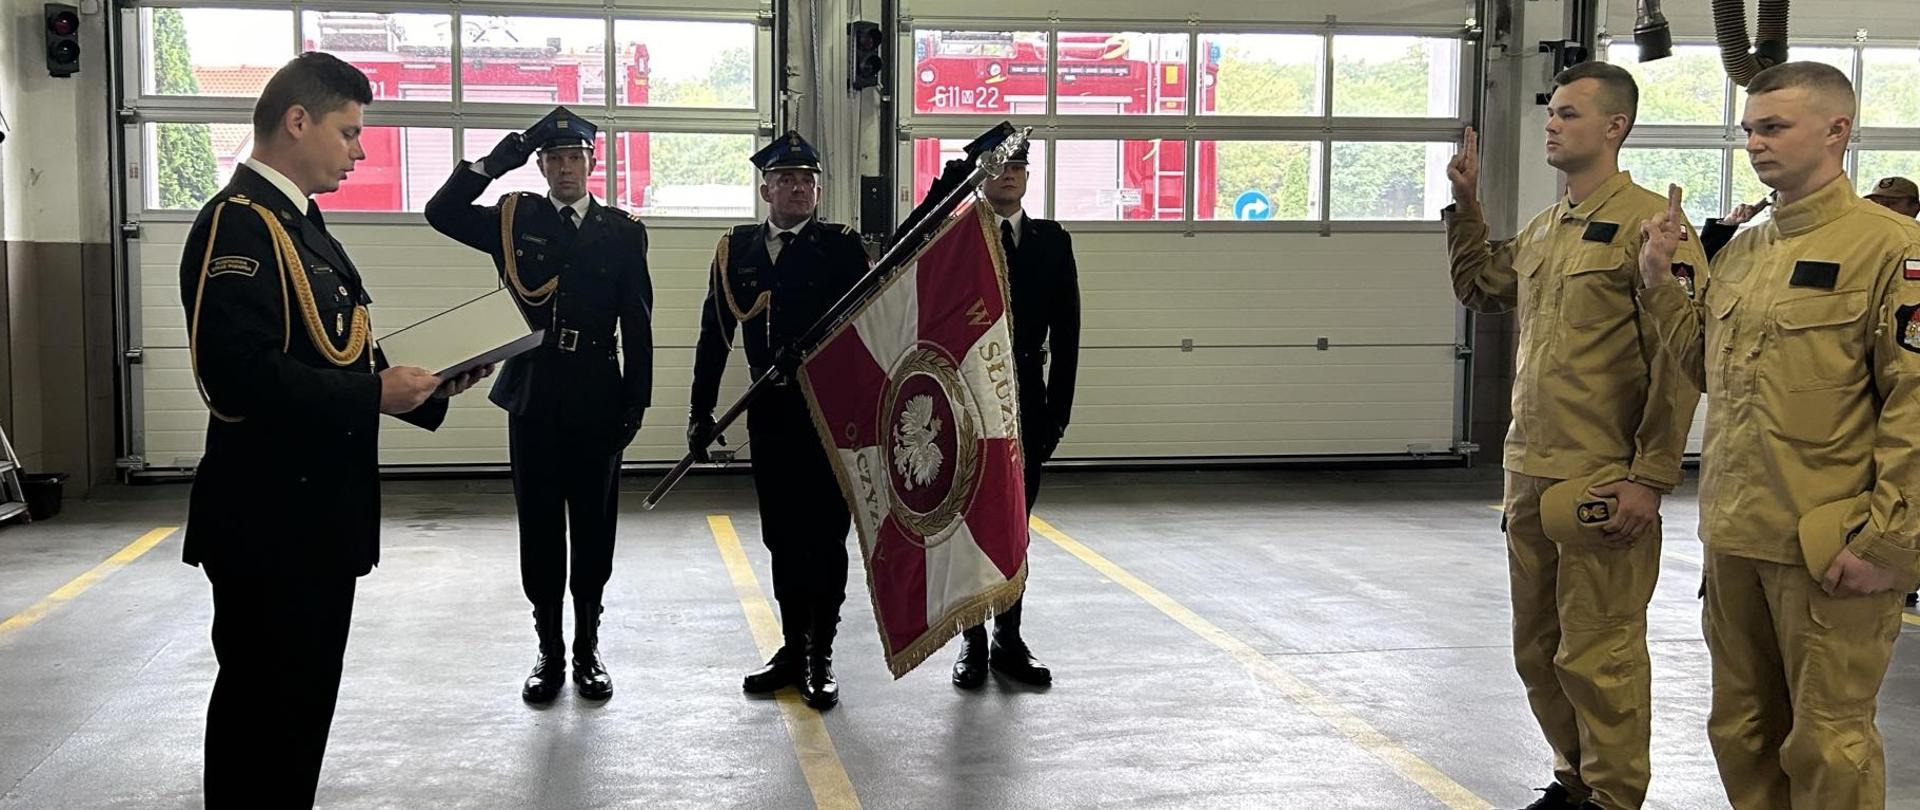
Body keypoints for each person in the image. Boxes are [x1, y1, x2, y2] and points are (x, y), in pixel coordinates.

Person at [177, 52, 488, 807]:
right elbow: (236, 374)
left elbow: (344, 350)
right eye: (349, 133)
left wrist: (430, 387)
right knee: (264, 716)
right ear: (297, 121)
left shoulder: (301, 227)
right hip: (268, 523)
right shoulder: (237, 224)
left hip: (315, 523)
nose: (360, 150)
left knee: (300, 714)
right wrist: (372, 395)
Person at [1638, 61, 1920, 810]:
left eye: (1773, 127)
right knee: (1741, 729)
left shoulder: (1890, 248)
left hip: (1827, 546)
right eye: (1749, 130)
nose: (1756, 144)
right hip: (1735, 539)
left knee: (1828, 740)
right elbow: (1705, 364)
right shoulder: (1747, 250)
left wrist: (1888, 544)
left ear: (1837, 131)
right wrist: (1662, 282)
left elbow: (1914, 405)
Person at [1443, 61, 1707, 810]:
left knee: (1602, 652)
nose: (1552, 124)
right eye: (1552, 112)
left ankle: (1614, 796)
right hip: (1530, 470)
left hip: (1601, 473)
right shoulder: (1547, 227)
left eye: (1568, 113)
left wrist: (1652, 476)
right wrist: (1466, 206)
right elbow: (1481, 289)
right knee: (1538, 650)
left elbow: (1679, 367)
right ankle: (1576, 778)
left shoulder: (1654, 226)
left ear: (1615, 127)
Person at [425, 107, 654, 703]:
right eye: (552, 159)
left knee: (594, 529)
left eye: (574, 157)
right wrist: (498, 160)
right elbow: (440, 213)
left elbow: (640, 321)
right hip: (533, 394)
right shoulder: (514, 217)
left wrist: (637, 400)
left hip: (599, 395)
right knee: (541, 527)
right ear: (542, 166)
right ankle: (549, 650)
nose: (565, 168)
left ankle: (587, 648)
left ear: (591, 162)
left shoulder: (623, 230)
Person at [689, 131, 870, 710]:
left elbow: (870, 330)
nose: (799, 188)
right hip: (769, 416)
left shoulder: (840, 247)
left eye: (808, 180)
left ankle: (822, 656)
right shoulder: (736, 249)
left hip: (828, 415)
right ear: (765, 187)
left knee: (825, 539)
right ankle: (792, 648)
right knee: (781, 538)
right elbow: (713, 336)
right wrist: (701, 411)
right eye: (787, 179)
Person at [951, 143, 1079, 690]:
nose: (1008, 175)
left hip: (1026, 401)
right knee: (971, 524)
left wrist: (1057, 416)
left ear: (1028, 176)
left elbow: (1069, 335)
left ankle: (1009, 637)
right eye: (999, 167)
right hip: (970, 400)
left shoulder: (1051, 241)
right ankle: (972, 641)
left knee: (1014, 529)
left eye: (1017, 167)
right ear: (983, 177)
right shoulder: (958, 238)